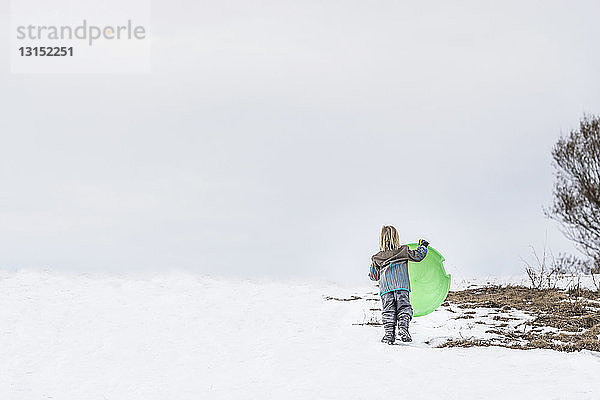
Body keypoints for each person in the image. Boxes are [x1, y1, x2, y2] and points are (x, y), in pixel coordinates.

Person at [369, 225, 429, 344]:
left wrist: (374, 266)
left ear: (381, 240)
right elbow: (418, 256)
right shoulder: (403, 251)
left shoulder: (377, 257)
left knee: (388, 311)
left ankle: (389, 335)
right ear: (397, 238)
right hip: (401, 286)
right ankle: (403, 328)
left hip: (386, 289)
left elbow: (373, 277)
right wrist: (423, 246)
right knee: (404, 308)